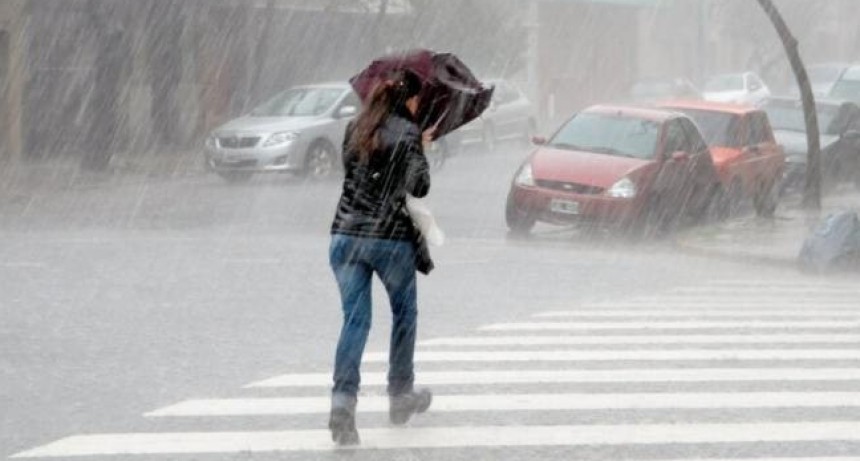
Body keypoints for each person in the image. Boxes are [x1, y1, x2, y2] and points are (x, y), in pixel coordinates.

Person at [328, 69, 433, 446]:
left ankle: (342, 404)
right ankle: (400, 394)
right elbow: (418, 186)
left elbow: (356, 174)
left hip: (344, 236)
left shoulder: (354, 128)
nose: (418, 106)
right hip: (389, 240)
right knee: (404, 314)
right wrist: (420, 146)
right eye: (418, 100)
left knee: (355, 322)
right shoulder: (407, 133)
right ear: (409, 100)